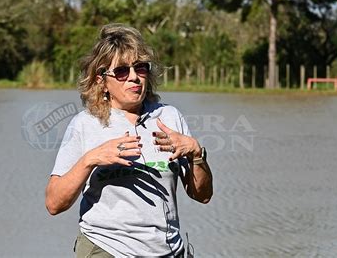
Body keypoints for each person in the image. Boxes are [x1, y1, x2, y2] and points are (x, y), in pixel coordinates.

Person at [45, 23, 213, 258]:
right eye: (122, 71)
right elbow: (54, 203)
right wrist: (91, 159)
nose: (134, 77)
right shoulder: (85, 124)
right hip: (107, 248)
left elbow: (202, 196)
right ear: (101, 80)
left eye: (140, 68)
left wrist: (196, 155)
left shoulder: (169, 117)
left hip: (169, 251)